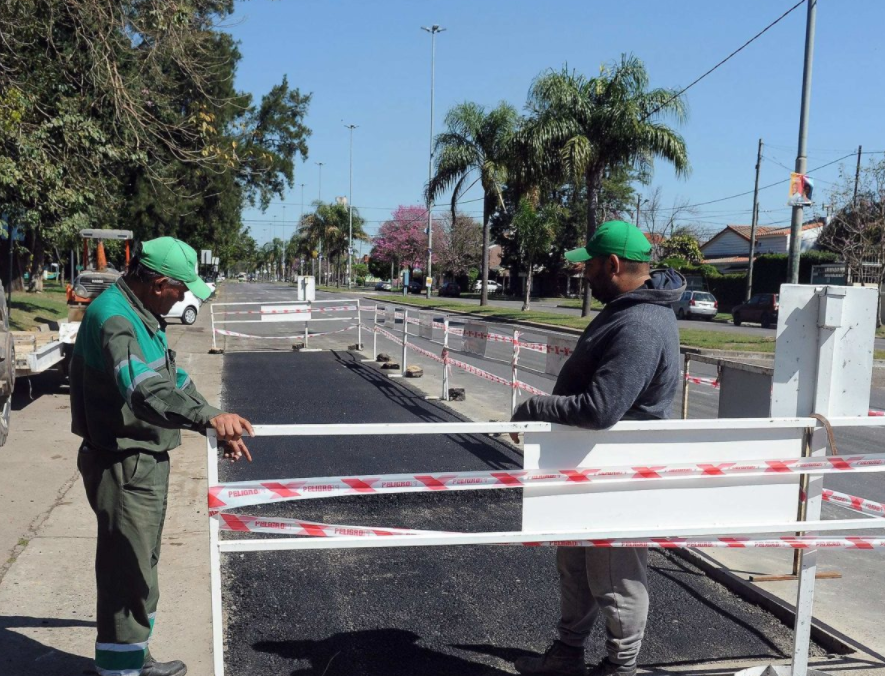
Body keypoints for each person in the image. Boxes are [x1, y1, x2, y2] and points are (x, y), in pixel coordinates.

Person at [70, 237, 254, 676]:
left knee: (142, 565)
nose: (185, 296)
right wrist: (207, 419)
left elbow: (174, 377)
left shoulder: (143, 314)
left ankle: (135, 658)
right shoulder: (115, 319)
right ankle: (119, 671)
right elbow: (143, 391)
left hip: (143, 461)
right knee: (126, 570)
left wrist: (213, 418)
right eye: (181, 288)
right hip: (124, 462)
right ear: (158, 282)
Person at [510, 220, 685, 676]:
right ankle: (568, 656)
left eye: (589, 265)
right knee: (576, 567)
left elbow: (601, 408)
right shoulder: (626, 308)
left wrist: (534, 407)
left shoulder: (642, 323)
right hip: (584, 466)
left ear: (613, 264)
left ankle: (619, 667)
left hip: (616, 472)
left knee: (615, 578)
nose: (582, 273)